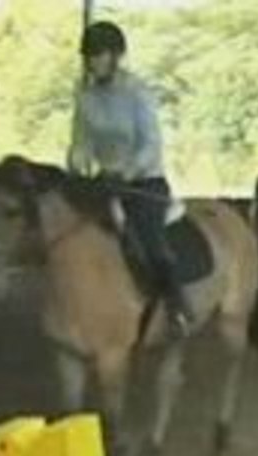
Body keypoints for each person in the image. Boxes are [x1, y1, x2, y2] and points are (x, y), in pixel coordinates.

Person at [67, 21, 193, 338]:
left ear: (115, 56)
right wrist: (78, 164)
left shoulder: (137, 92)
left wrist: (127, 172)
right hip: (103, 182)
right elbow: (81, 140)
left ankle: (177, 306)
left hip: (143, 181)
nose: (92, 61)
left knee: (150, 240)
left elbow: (151, 143)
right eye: (89, 56)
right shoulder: (84, 95)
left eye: (99, 55)